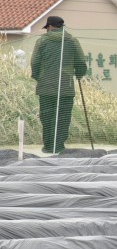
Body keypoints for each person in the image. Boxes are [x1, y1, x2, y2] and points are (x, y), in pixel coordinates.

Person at [30, 16, 87, 154]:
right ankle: (59, 145)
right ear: (62, 27)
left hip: (46, 87)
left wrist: (38, 77)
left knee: (47, 115)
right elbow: (81, 62)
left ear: (49, 27)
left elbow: (35, 62)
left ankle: (48, 146)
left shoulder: (42, 41)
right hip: (65, 87)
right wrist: (79, 74)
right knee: (62, 116)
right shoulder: (72, 41)